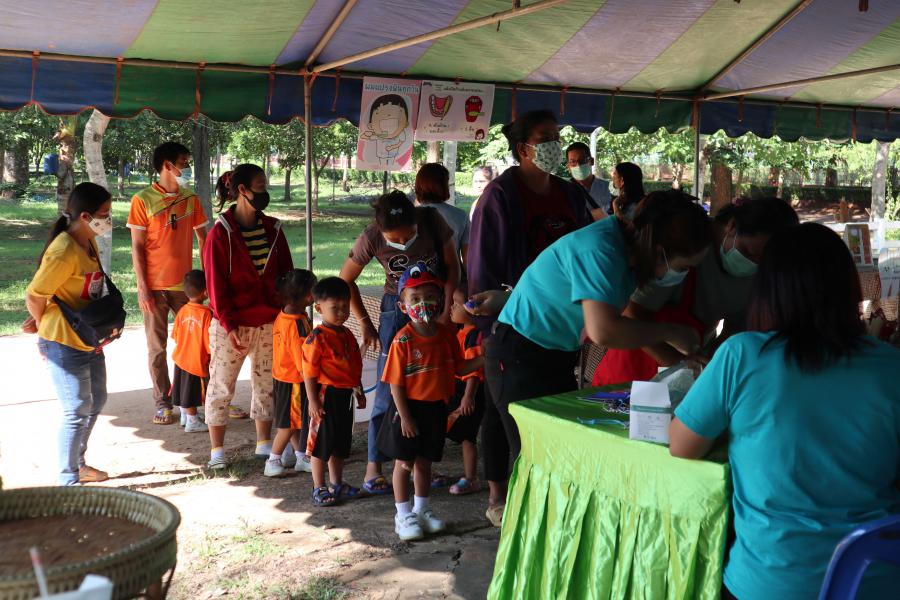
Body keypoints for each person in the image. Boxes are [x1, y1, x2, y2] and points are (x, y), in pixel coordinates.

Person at [670, 223, 900, 600]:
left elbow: (682, 445)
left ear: (767, 289)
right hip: (874, 580)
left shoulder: (742, 355)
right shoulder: (891, 366)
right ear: (848, 288)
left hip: (769, 581)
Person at [481, 191, 711, 526]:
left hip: (551, 356)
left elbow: (626, 327)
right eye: (683, 267)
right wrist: (672, 332)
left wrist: (681, 362)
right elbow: (604, 330)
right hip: (520, 355)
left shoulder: (626, 254)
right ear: (660, 250)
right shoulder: (601, 249)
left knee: (555, 463)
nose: (683, 275)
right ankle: (526, 543)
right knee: (535, 465)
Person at [467, 109, 591, 525]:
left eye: (557, 136)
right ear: (523, 148)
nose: (555, 145)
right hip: (511, 322)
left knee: (549, 410)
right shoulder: (501, 196)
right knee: (502, 412)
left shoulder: (570, 193)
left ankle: (546, 495)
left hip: (560, 323)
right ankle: (499, 497)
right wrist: (486, 328)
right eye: (545, 138)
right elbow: (483, 266)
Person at [594, 197, 800, 386]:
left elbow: (735, 329)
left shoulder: (761, 272)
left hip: (690, 364)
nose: (754, 263)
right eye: (750, 252)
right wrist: (681, 365)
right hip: (633, 364)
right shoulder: (689, 236)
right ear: (732, 226)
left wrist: (708, 365)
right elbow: (633, 314)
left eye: (763, 261)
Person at [339, 190, 459, 496]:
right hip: (396, 310)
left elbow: (452, 265)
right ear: (380, 231)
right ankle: (374, 467)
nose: (403, 241)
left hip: (433, 307)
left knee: (428, 385)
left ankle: (422, 464)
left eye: (408, 235)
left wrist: (446, 309)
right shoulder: (371, 238)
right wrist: (365, 322)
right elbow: (345, 279)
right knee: (387, 387)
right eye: (395, 239)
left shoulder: (431, 220)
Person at [376, 263, 483, 541]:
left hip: (436, 408)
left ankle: (422, 510)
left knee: (425, 463)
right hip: (408, 409)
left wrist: (487, 357)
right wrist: (405, 417)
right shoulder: (403, 340)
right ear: (402, 306)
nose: (423, 304)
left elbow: (460, 368)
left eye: (430, 297)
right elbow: (395, 384)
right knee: (404, 464)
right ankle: (403, 515)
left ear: (441, 301)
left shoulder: (447, 335)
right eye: (415, 298)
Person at [202, 164, 293, 469]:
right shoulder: (220, 234)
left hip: (269, 323)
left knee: (266, 384)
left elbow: (286, 276)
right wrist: (229, 326)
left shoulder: (274, 230)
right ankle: (217, 452)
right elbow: (215, 287)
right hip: (231, 325)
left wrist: (287, 313)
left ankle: (264, 444)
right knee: (221, 385)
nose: (265, 191)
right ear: (242, 190)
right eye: (260, 186)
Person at [24, 182, 114, 485]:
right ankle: (68, 481)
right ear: (85, 216)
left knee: (97, 399)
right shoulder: (64, 251)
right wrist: (42, 327)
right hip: (63, 340)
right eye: (105, 213)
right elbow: (34, 295)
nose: (109, 219)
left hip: (87, 335)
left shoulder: (87, 241)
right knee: (76, 409)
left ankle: (78, 464)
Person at [128, 141, 208, 426]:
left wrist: (207, 278)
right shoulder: (142, 200)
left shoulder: (191, 199)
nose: (187, 168)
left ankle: (201, 398)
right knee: (157, 348)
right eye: (183, 163)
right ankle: (163, 402)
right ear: (167, 165)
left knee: (197, 344)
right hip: (154, 286)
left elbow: (203, 239)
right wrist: (142, 287)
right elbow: (137, 247)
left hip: (186, 288)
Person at [303, 277, 366, 507]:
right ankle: (318, 487)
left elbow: (354, 364)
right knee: (321, 445)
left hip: (345, 396)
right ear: (319, 308)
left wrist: (359, 390)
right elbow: (308, 373)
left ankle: (337, 484)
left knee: (340, 444)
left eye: (345, 307)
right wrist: (313, 401)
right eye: (335, 308)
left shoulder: (347, 334)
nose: (341, 313)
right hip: (325, 396)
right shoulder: (316, 338)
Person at [265, 269, 317, 478]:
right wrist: (312, 385)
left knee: (294, 422)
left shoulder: (285, 315)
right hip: (294, 380)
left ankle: (301, 457)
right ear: (309, 296)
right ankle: (273, 460)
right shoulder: (296, 324)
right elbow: (301, 360)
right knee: (287, 425)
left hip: (283, 377)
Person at [445, 293, 486, 496]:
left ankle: (471, 479)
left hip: (469, 391)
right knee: (463, 435)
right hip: (458, 389)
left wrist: (468, 396)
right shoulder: (462, 331)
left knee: (467, 436)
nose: (451, 307)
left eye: (457, 304)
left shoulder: (474, 335)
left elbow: (474, 371)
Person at [171, 269, 212, 433]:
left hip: (180, 357)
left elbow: (175, 336)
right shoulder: (207, 314)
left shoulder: (182, 311)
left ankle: (185, 416)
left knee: (182, 388)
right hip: (195, 360)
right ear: (206, 292)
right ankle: (192, 422)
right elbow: (209, 343)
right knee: (190, 392)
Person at [414, 163, 470, 270]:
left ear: (418, 186)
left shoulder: (410, 217)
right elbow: (468, 258)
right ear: (444, 186)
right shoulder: (460, 215)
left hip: (418, 276)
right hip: (453, 274)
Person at [566, 141, 611, 220]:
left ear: (592, 161)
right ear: (568, 166)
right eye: (573, 162)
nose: (578, 165)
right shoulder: (564, 190)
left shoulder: (608, 188)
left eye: (583, 160)